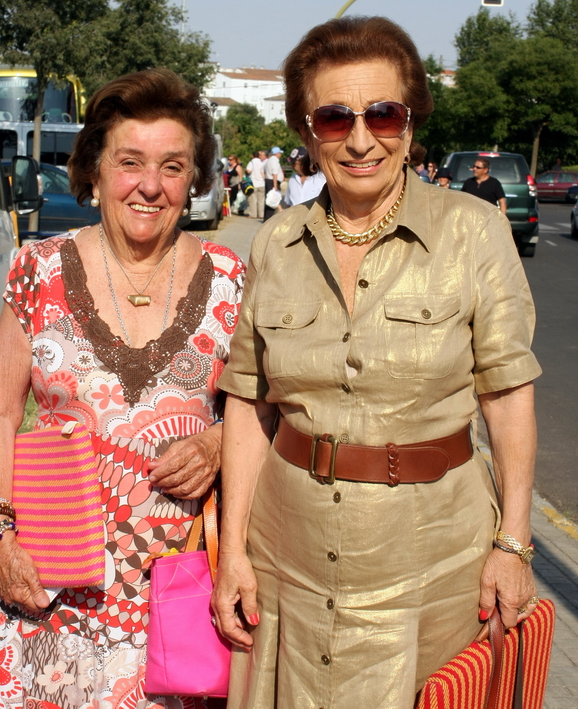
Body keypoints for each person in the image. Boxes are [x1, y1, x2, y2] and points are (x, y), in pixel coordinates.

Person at [211, 16, 541, 709]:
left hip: (432, 570)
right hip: (287, 562)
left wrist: (513, 543)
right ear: (308, 132)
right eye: (335, 119)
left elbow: (508, 397)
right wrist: (233, 550)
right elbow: (248, 402)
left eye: (382, 114)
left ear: (410, 123)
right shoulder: (274, 244)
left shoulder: (472, 233)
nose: (361, 139)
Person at [0, 68, 244, 709]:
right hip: (51, 585)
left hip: (176, 596)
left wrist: (218, 440)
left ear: (195, 179)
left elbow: (265, 412)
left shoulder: (233, 279)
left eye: (173, 166)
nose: (150, 185)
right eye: (130, 162)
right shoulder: (37, 268)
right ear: (94, 170)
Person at [263, 146, 284, 221]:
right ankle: (270, 218)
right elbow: (275, 174)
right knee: (273, 199)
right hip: (273, 181)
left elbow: (263, 170)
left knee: (269, 199)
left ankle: (267, 217)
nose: (280, 155)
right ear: (277, 153)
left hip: (268, 180)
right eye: (279, 153)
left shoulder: (268, 160)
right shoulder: (275, 161)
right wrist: (275, 186)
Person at [246, 150, 266, 219]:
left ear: (252, 156)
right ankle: (261, 214)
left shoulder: (251, 162)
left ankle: (253, 214)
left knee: (253, 200)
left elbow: (249, 170)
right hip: (262, 183)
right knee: (261, 200)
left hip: (253, 183)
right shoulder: (262, 163)